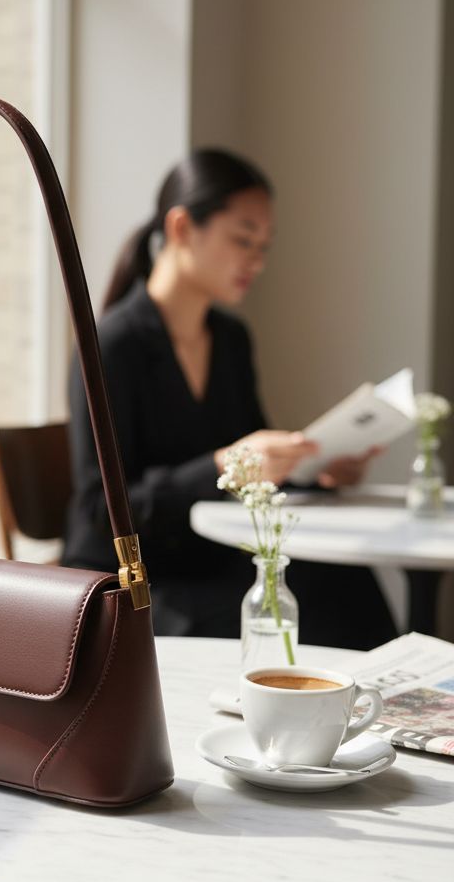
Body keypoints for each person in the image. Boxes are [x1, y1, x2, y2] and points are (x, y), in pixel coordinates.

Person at [62, 149, 397, 648]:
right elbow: (100, 509)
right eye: (243, 239)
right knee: (313, 596)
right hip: (132, 584)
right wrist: (226, 462)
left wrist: (313, 469)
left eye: (264, 245)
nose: (257, 261)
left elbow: (252, 463)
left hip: (210, 557)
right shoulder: (112, 346)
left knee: (342, 580)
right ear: (180, 228)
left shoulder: (231, 340)